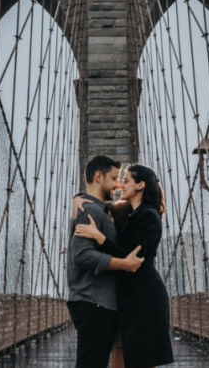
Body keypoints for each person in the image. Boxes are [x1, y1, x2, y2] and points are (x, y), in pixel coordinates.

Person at [74, 164, 175, 368]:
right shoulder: (125, 212)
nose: (120, 184)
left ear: (140, 185)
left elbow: (129, 260)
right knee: (121, 361)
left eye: (126, 180)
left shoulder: (149, 216)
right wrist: (78, 198)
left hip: (145, 298)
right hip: (127, 298)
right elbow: (98, 204)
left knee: (140, 362)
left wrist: (99, 237)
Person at [67, 155, 145, 368]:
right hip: (93, 302)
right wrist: (123, 264)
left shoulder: (98, 209)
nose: (118, 185)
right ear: (98, 177)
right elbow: (81, 255)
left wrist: (78, 196)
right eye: (113, 178)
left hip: (98, 302)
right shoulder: (89, 210)